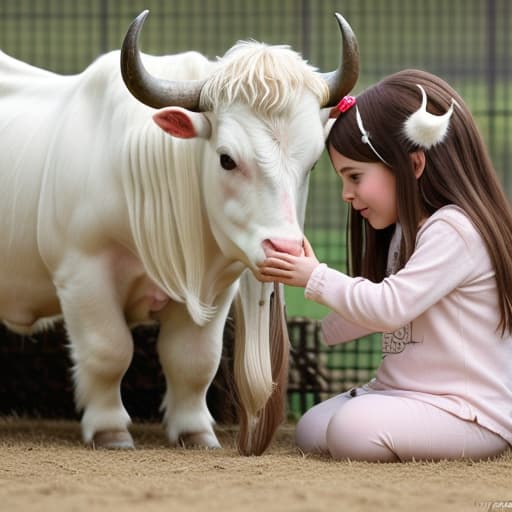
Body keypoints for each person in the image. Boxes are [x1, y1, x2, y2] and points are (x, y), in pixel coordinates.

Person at [256, 69, 512, 462]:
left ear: (413, 165)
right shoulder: (404, 232)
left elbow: (390, 308)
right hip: (403, 394)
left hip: (467, 412)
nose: (346, 194)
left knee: (351, 429)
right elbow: (377, 312)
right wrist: (316, 307)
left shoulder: (454, 231)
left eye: (355, 176)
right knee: (312, 427)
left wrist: (316, 277)